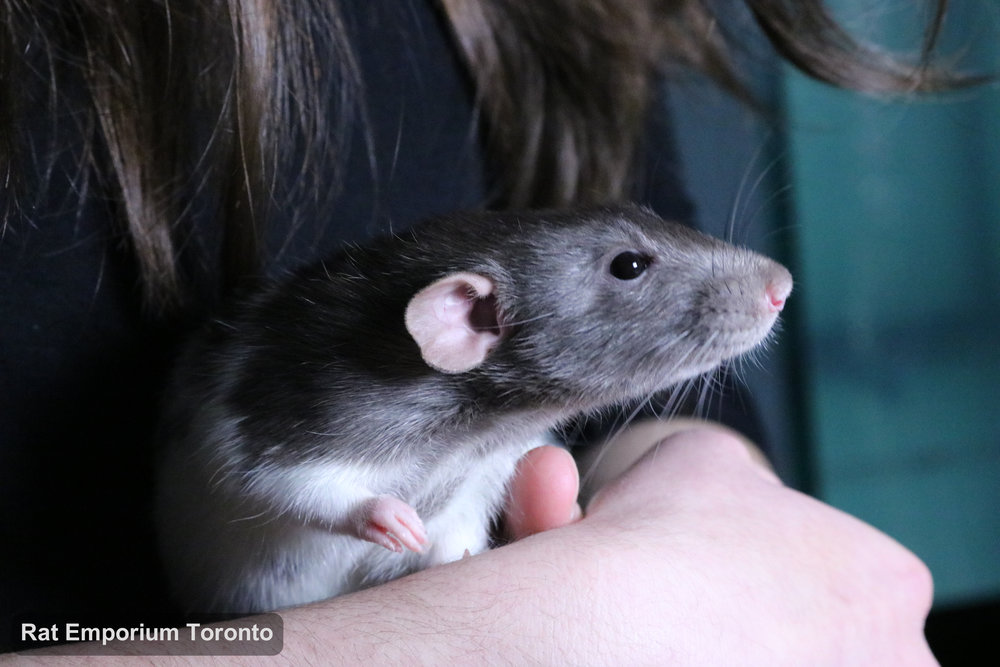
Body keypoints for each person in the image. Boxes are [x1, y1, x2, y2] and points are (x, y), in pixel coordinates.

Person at [0, 0, 950, 661]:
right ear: (465, 320)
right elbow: (259, 466)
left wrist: (703, 484)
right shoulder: (305, 399)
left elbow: (633, 224)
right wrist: (468, 635)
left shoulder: (549, 25)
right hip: (242, 591)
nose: (770, 284)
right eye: (630, 269)